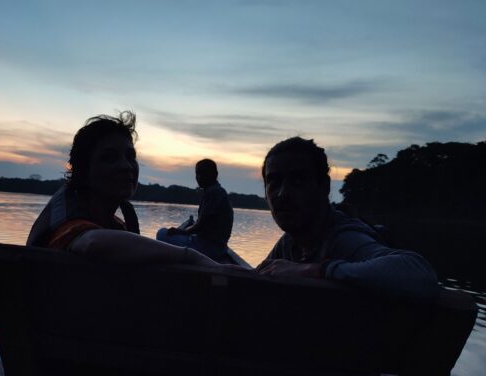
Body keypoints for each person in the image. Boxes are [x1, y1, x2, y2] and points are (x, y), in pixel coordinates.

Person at [255, 136, 438, 298]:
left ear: (324, 187)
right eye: (274, 182)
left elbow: (420, 273)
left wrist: (315, 270)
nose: (282, 194)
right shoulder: (290, 242)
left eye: (298, 180)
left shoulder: (345, 239)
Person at [27, 112, 218, 267]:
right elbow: (92, 243)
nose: (126, 166)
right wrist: (191, 256)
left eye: (130, 156)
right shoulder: (68, 226)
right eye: (109, 158)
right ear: (84, 171)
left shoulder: (114, 225)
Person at [156, 159, 234, 261]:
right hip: (216, 247)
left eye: (203, 173)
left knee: (161, 233)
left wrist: (180, 231)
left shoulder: (213, 192)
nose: (199, 177)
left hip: (209, 249)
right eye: (197, 173)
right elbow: (203, 225)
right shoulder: (217, 191)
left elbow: (200, 226)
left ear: (214, 174)